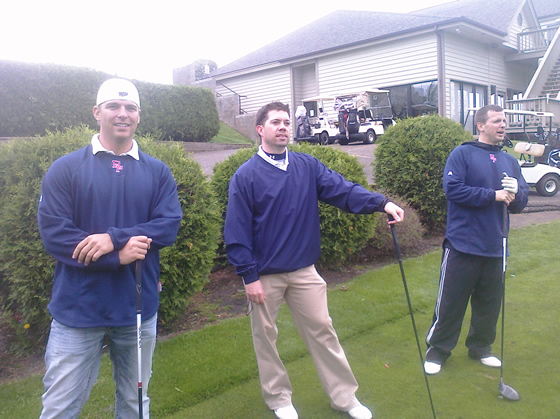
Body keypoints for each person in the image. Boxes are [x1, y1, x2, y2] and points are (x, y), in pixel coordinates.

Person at [224, 101, 404, 419]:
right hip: (265, 275)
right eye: (275, 122)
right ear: (260, 129)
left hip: (304, 270)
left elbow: (343, 191)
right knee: (265, 338)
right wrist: (248, 276)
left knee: (323, 330)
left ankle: (345, 398)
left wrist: (382, 203)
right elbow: (237, 231)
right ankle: (279, 399)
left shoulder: (307, 166)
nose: (283, 127)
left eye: (286, 122)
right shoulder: (246, 176)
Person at [37, 78, 183, 417]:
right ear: (96, 112)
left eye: (130, 107)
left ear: (139, 116)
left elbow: (167, 226)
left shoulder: (157, 172)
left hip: (136, 310)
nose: (122, 114)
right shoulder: (66, 169)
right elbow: (56, 235)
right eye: (113, 106)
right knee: (60, 406)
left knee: (134, 403)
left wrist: (112, 237)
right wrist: (117, 256)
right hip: (78, 311)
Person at [423, 104, 529, 375]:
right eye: (496, 120)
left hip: (496, 245)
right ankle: (438, 351)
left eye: (504, 120)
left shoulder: (510, 161)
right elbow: (453, 189)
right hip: (463, 243)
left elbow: (519, 205)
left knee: (489, 303)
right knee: (451, 302)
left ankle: (480, 348)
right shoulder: (462, 154)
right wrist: (491, 195)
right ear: (481, 125)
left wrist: (517, 193)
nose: (502, 125)